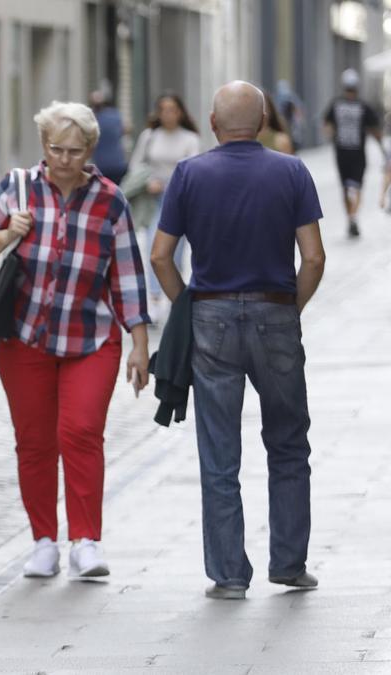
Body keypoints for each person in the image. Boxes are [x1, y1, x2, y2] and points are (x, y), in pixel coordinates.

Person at [150, 81, 326, 600]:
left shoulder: (190, 173)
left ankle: (229, 575)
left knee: (219, 451)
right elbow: (313, 257)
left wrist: (188, 303)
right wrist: (291, 308)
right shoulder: (291, 171)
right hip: (275, 314)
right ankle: (289, 564)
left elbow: (161, 255)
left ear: (211, 123)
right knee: (289, 443)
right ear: (265, 118)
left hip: (212, 320)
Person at [0, 101, 151, 579]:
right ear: (43, 145)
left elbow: (127, 276)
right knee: (34, 441)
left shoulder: (110, 201)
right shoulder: (18, 188)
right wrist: (8, 235)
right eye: (54, 148)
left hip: (90, 338)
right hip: (26, 338)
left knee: (81, 434)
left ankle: (86, 540)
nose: (63, 159)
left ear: (90, 149)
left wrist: (140, 343)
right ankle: (43, 540)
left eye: (73, 150)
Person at [128, 92, 200, 317]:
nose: (168, 114)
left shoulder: (190, 138)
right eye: (164, 110)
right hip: (155, 199)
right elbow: (136, 164)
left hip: (180, 201)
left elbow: (195, 169)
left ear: (180, 112)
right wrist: (149, 182)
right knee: (153, 246)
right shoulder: (149, 136)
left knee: (177, 251)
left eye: (173, 109)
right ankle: (156, 298)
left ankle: (175, 296)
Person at [323, 68, 382, 238]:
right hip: (358, 154)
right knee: (356, 187)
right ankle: (353, 217)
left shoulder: (336, 104)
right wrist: (381, 147)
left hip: (341, 153)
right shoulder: (363, 106)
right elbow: (375, 129)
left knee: (345, 188)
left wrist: (332, 135)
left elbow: (326, 125)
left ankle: (350, 217)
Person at [90, 89, 129, 185]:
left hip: (101, 166)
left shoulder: (91, 119)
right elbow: (125, 130)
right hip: (118, 163)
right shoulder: (115, 115)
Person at [258, 89, 294, 154]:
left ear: (270, 110)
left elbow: (289, 163)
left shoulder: (281, 140)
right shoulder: (245, 139)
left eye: (264, 107)